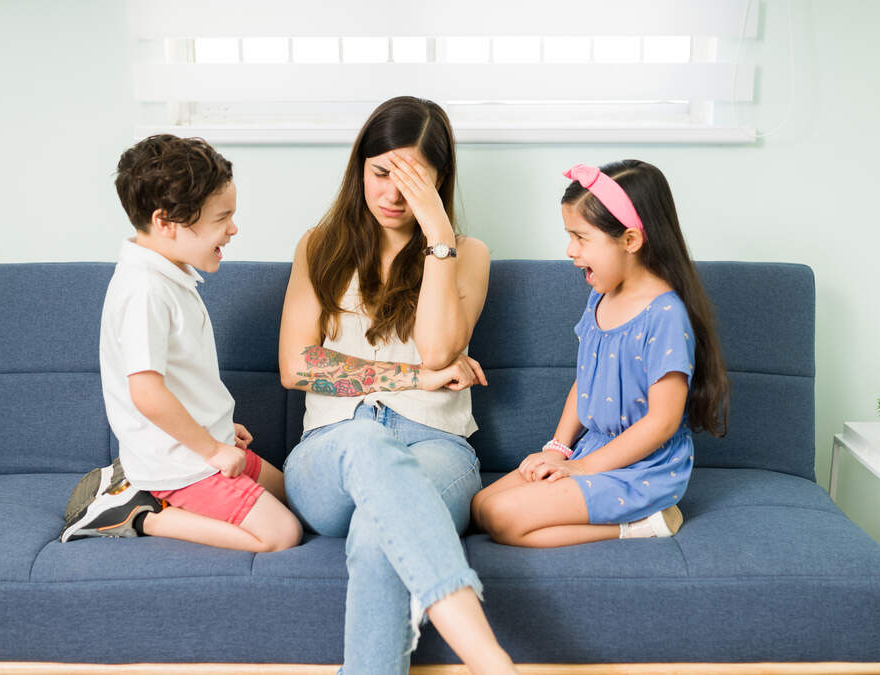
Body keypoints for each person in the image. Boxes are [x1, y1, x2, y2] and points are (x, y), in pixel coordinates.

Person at [278, 96, 516, 674]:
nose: (391, 194)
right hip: (331, 454)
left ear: (438, 185)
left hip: (436, 449)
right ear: (360, 166)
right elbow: (296, 366)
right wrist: (411, 377)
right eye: (381, 172)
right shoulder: (320, 246)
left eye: (411, 181)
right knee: (365, 444)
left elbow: (440, 349)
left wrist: (438, 235)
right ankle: (490, 660)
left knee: (376, 534)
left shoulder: (469, 255)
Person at [60, 134, 301, 553]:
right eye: (221, 218)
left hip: (205, 446)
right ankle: (138, 515)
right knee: (283, 535)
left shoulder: (170, 275)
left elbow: (183, 377)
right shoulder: (144, 291)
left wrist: (218, 428)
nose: (233, 228)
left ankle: (140, 487)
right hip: (182, 465)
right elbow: (147, 392)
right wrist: (209, 447)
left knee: (301, 497)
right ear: (166, 221)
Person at [471, 160, 729, 548]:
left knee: (504, 520)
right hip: (592, 450)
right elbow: (587, 379)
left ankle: (643, 524)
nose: (570, 250)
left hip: (642, 468)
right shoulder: (601, 296)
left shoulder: (665, 315)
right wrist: (559, 448)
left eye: (581, 237)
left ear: (630, 240)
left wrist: (579, 468)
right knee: (481, 505)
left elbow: (661, 422)